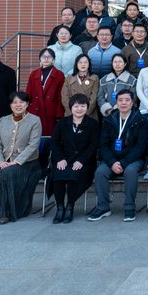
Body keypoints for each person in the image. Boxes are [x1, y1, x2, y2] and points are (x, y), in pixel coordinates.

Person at [88, 89, 148, 222]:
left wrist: (124, 163)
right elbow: (103, 145)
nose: (123, 103)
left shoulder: (141, 120)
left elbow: (140, 147)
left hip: (133, 159)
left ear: (133, 103)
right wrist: (112, 162)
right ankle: (103, 207)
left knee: (130, 172)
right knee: (100, 172)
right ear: (116, 102)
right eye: (120, 100)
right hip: (113, 159)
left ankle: (129, 207)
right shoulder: (109, 120)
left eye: (127, 100)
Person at [0, 92, 42, 224]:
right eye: (14, 102)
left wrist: (17, 161)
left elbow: (33, 145)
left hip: (28, 163)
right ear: (10, 105)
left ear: (27, 104)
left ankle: (7, 212)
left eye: (22, 102)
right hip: (4, 162)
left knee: (7, 173)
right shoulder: (3, 120)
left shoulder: (35, 120)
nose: (18, 105)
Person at [49, 93, 100, 224]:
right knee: (58, 175)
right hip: (64, 159)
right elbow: (54, 143)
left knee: (74, 175)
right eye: (76, 106)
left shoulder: (93, 124)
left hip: (84, 161)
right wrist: (60, 158)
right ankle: (60, 207)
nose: (79, 109)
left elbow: (93, 145)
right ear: (71, 107)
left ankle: (70, 206)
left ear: (87, 107)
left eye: (83, 106)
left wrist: (81, 160)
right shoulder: (62, 123)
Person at [26, 48, 65, 137]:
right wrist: (27, 109)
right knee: (34, 136)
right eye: (44, 57)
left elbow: (60, 96)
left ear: (53, 59)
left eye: (49, 57)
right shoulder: (33, 74)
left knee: (49, 136)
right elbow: (28, 93)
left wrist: (59, 114)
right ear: (40, 59)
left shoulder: (59, 74)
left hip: (51, 110)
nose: (46, 59)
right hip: (35, 109)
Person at [60, 54, 99, 122]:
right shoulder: (68, 79)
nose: (83, 64)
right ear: (76, 64)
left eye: (85, 62)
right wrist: (74, 113)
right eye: (80, 62)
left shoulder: (94, 78)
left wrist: (83, 113)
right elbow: (65, 98)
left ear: (89, 64)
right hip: (71, 114)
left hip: (89, 115)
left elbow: (94, 99)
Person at [97, 54, 137, 118]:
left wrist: (118, 109)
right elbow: (100, 97)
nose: (117, 64)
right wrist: (107, 109)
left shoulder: (132, 80)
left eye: (120, 62)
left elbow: (133, 98)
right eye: (115, 62)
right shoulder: (104, 80)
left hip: (125, 113)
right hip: (107, 113)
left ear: (125, 64)